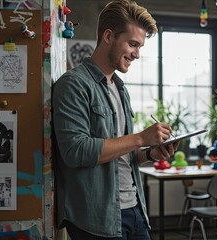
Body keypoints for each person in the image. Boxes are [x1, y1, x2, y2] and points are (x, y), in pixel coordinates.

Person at [52, 1, 178, 239]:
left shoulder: (120, 89)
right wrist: (140, 138)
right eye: (132, 44)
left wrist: (150, 153)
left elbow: (120, 155)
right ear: (108, 36)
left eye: (140, 47)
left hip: (135, 210)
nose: (137, 54)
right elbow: (75, 151)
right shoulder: (73, 84)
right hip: (96, 218)